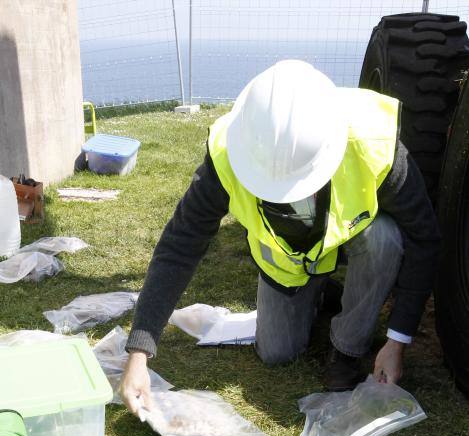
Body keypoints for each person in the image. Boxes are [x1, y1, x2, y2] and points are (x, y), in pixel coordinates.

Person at [121, 60, 440, 415]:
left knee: (384, 236)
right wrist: (139, 352)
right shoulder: (227, 156)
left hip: (353, 239)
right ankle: (321, 294)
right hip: (287, 260)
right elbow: (179, 246)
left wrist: (397, 341)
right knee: (276, 352)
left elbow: (424, 237)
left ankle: (347, 348)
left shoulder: (372, 144)